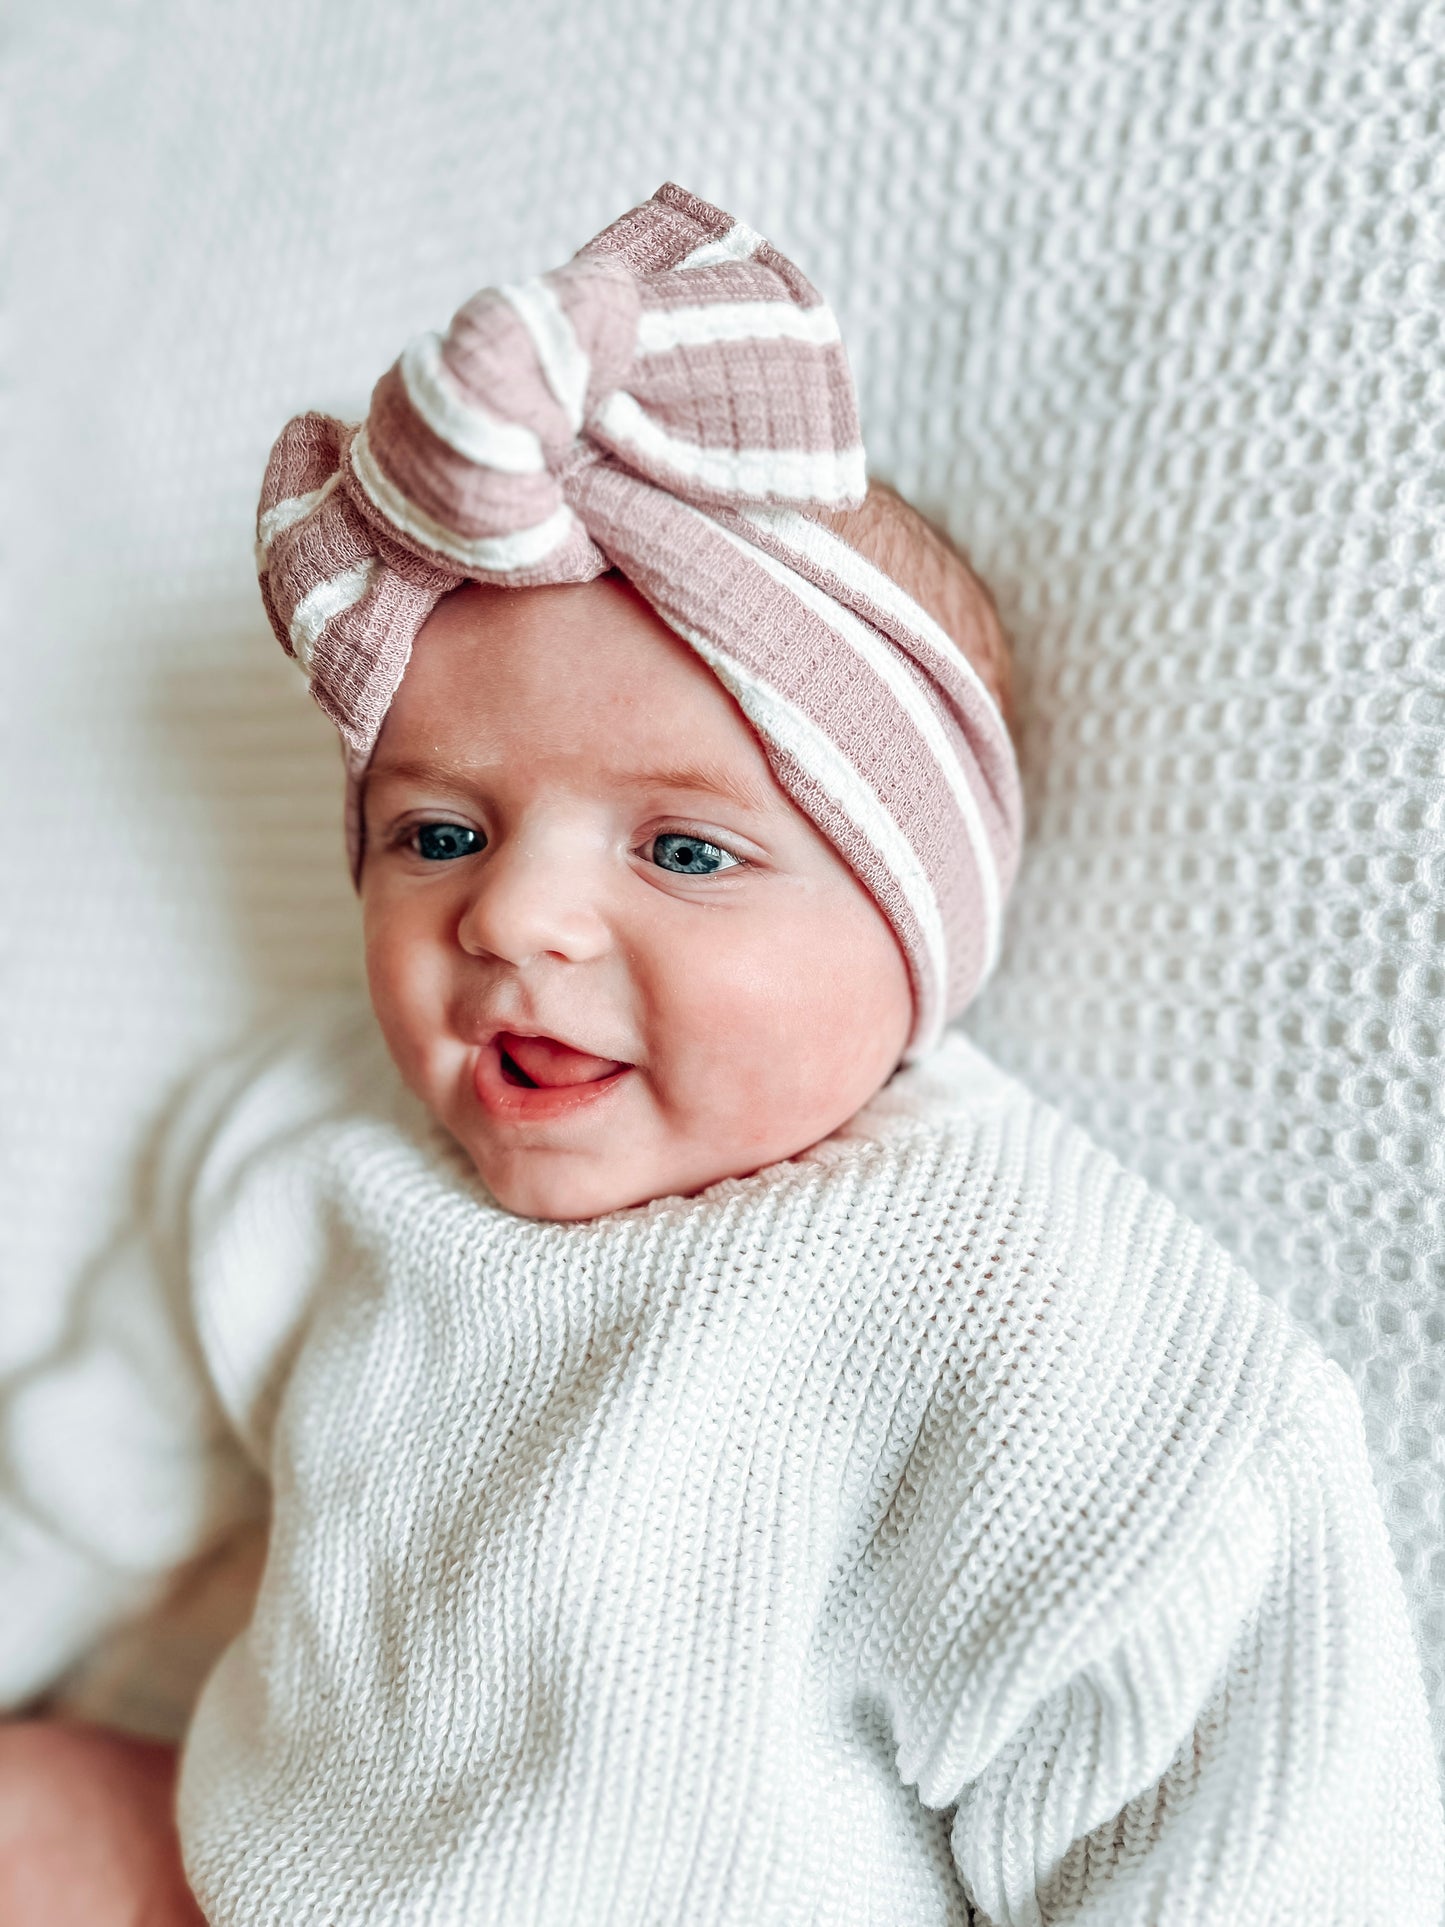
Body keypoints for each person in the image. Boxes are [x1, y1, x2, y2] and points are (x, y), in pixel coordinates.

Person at [0, 184, 1440, 1925]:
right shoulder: (308, 1143)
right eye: (438, 834)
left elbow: (1235, 1792)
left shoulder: (994, 1286)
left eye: (682, 852)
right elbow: (78, 1492)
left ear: (911, 940)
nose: (513, 921)